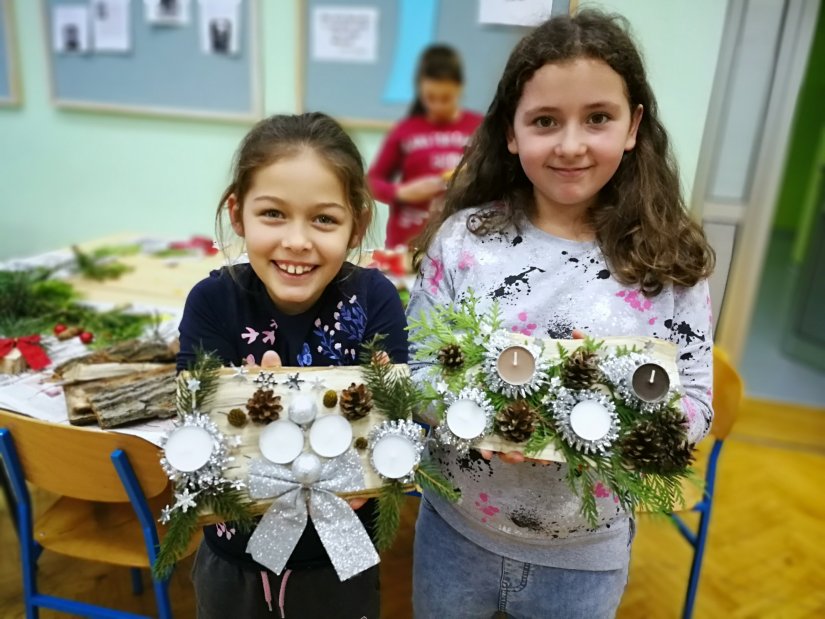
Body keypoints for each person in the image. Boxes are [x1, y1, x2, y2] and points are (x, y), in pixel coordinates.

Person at [406, 11, 715, 619]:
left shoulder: (668, 259)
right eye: (545, 121)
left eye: (597, 118)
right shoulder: (465, 241)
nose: (571, 144)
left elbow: (698, 402)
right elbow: (417, 372)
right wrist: (475, 418)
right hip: (454, 530)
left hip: (585, 553)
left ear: (633, 127)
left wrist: (616, 411)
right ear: (512, 133)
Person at [177, 112, 408, 619]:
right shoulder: (213, 302)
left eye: (324, 219)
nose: (298, 241)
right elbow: (193, 430)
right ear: (238, 215)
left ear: (357, 225)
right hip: (233, 556)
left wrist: (380, 463)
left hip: (339, 555)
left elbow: (397, 423)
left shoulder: (374, 299)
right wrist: (260, 408)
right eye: (273, 214)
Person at [368, 44, 483, 250]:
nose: (437, 106)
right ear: (420, 89)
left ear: (460, 88)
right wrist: (402, 192)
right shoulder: (405, 130)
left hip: (461, 242)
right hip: (407, 242)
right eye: (430, 98)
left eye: (446, 98)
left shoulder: (478, 127)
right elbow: (371, 183)